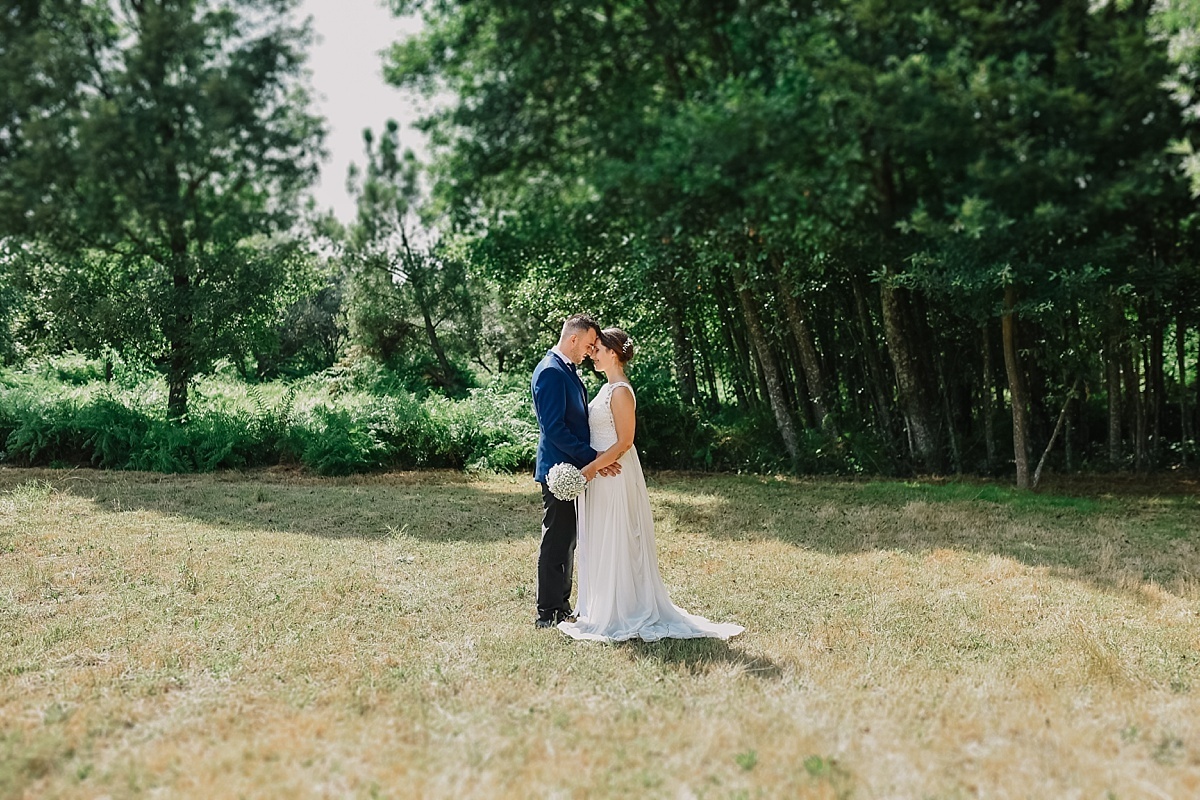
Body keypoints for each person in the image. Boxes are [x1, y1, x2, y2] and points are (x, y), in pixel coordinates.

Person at [558, 328, 744, 642]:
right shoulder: (606, 388)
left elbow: (625, 442)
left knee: (619, 535)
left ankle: (624, 609)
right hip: (602, 472)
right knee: (604, 536)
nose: (592, 355)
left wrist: (590, 469)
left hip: (615, 474)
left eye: (598, 349)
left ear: (613, 353)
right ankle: (604, 606)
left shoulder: (620, 391)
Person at [530, 314, 620, 629]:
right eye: (589, 344)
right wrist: (593, 457)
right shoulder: (551, 371)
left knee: (567, 539)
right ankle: (548, 612)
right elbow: (554, 428)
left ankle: (561, 606)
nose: (591, 350)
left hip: (573, 468)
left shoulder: (566, 369)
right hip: (560, 469)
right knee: (557, 540)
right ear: (573, 339)